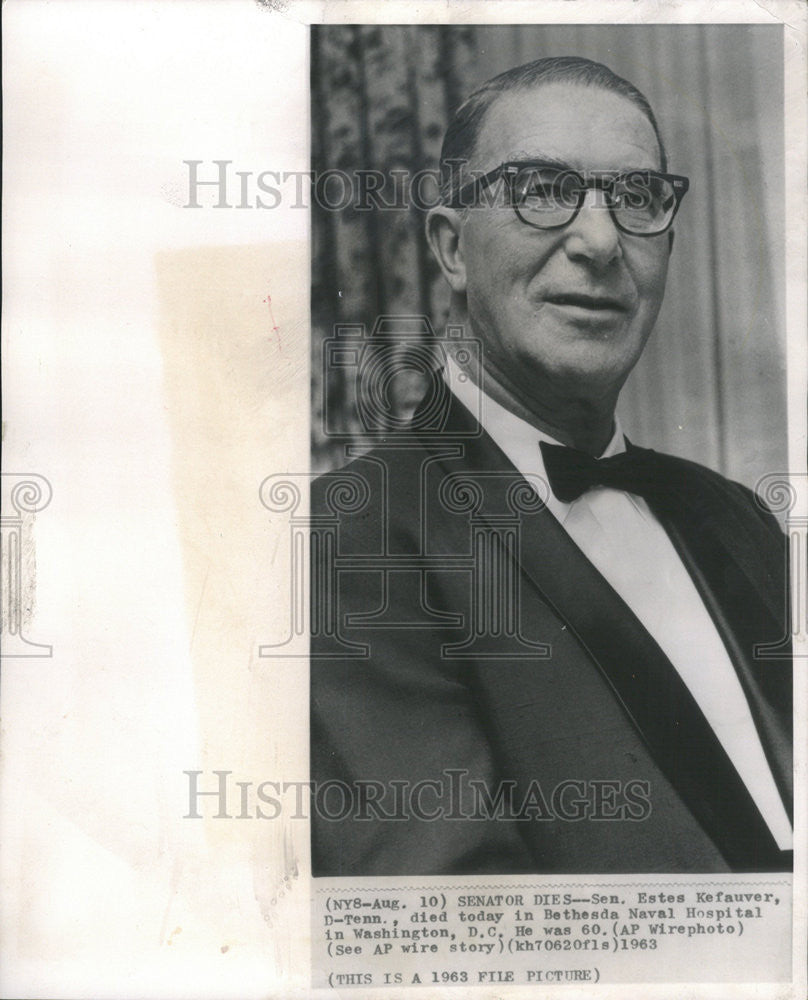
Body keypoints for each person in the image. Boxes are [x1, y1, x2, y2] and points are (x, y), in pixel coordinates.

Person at [309, 56, 792, 875]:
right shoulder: (353, 528)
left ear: (668, 246)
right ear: (452, 248)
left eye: (637, 198)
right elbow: (457, 918)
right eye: (542, 188)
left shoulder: (736, 516)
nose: (600, 241)